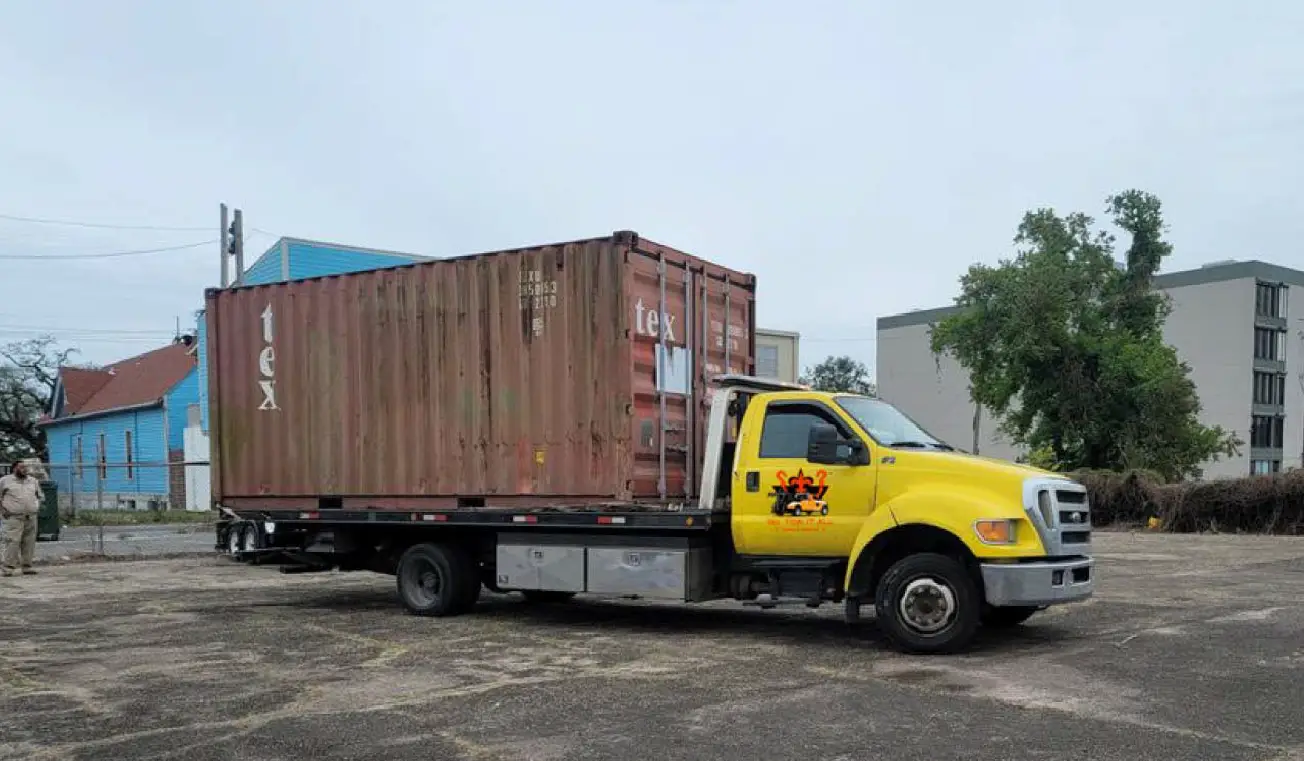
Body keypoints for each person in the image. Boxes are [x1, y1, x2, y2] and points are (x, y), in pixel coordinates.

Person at [0, 460, 43, 576]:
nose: (25, 469)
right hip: (13, 518)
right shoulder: (5, 481)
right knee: (12, 542)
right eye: (22, 467)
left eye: (26, 467)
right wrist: (3, 510)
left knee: (29, 542)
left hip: (31, 517)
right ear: (14, 468)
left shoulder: (33, 481)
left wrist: (36, 507)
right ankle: (8, 568)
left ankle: (27, 567)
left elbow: (38, 496)